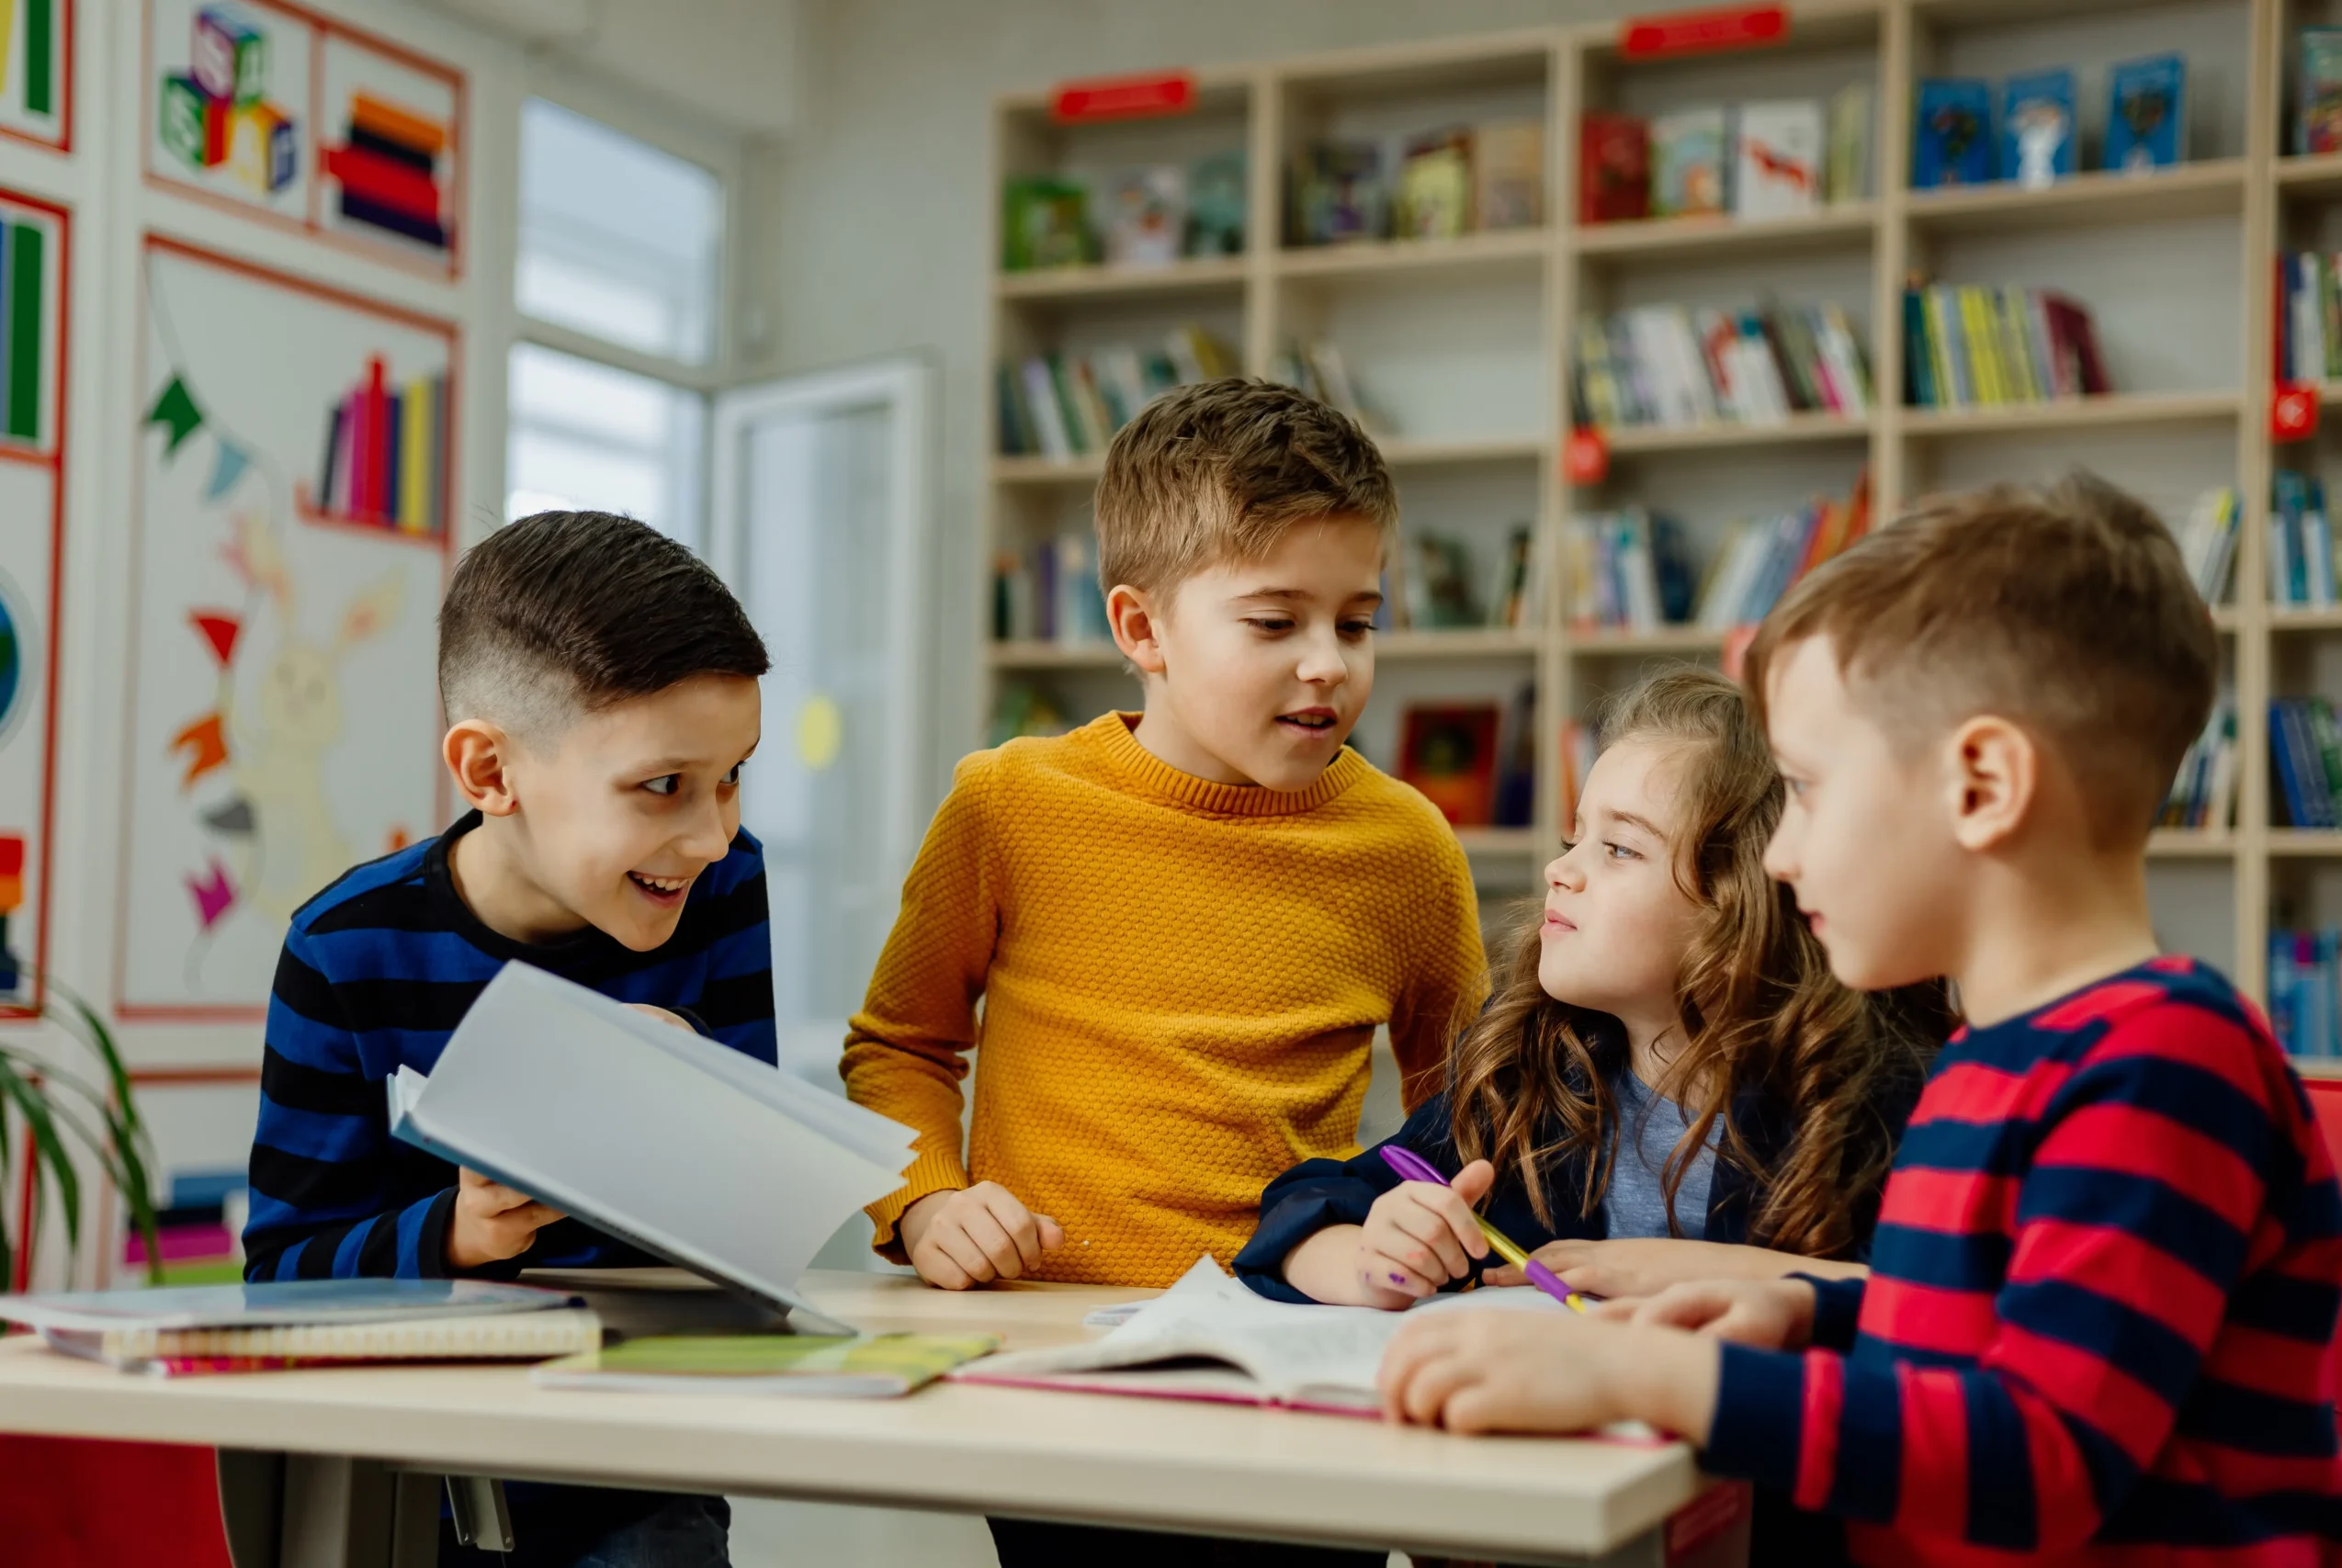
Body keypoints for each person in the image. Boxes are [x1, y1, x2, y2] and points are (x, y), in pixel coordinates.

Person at [1377, 475, 2342, 1566]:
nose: (1780, 856)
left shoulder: (2163, 1066)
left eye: (1805, 789)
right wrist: (1810, 1316)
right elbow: (1987, 1338)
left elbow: (2042, 1459)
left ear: (1980, 785)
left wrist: (1654, 1376)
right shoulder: (1994, 1062)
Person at [843, 378, 1488, 1566]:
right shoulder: (1009, 803)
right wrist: (926, 1198)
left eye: (1357, 622)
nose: (1327, 665)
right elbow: (899, 1043)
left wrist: (1429, 1229)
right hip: (1053, 1356)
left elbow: (1474, 1103)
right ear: (1142, 629)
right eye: (1274, 620)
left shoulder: (1407, 847)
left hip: (1302, 1355)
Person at [1239, 666, 1941, 1565]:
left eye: (1617, 850)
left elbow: (1941, 1329)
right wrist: (1371, 1253)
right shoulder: (1531, 1072)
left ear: (1745, 903)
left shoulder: (1875, 1099)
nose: (1556, 872)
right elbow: (1310, 1199)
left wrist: (1702, 1270)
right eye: (1575, 838)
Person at [243, 510, 773, 1568]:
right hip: (407, 1481)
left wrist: (702, 1105)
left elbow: (751, 1232)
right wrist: (460, 1230)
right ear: (490, 775)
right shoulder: (346, 948)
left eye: (732, 777)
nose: (712, 834)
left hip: (637, 1468)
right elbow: (278, 1279)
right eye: (663, 786)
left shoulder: (718, 885)